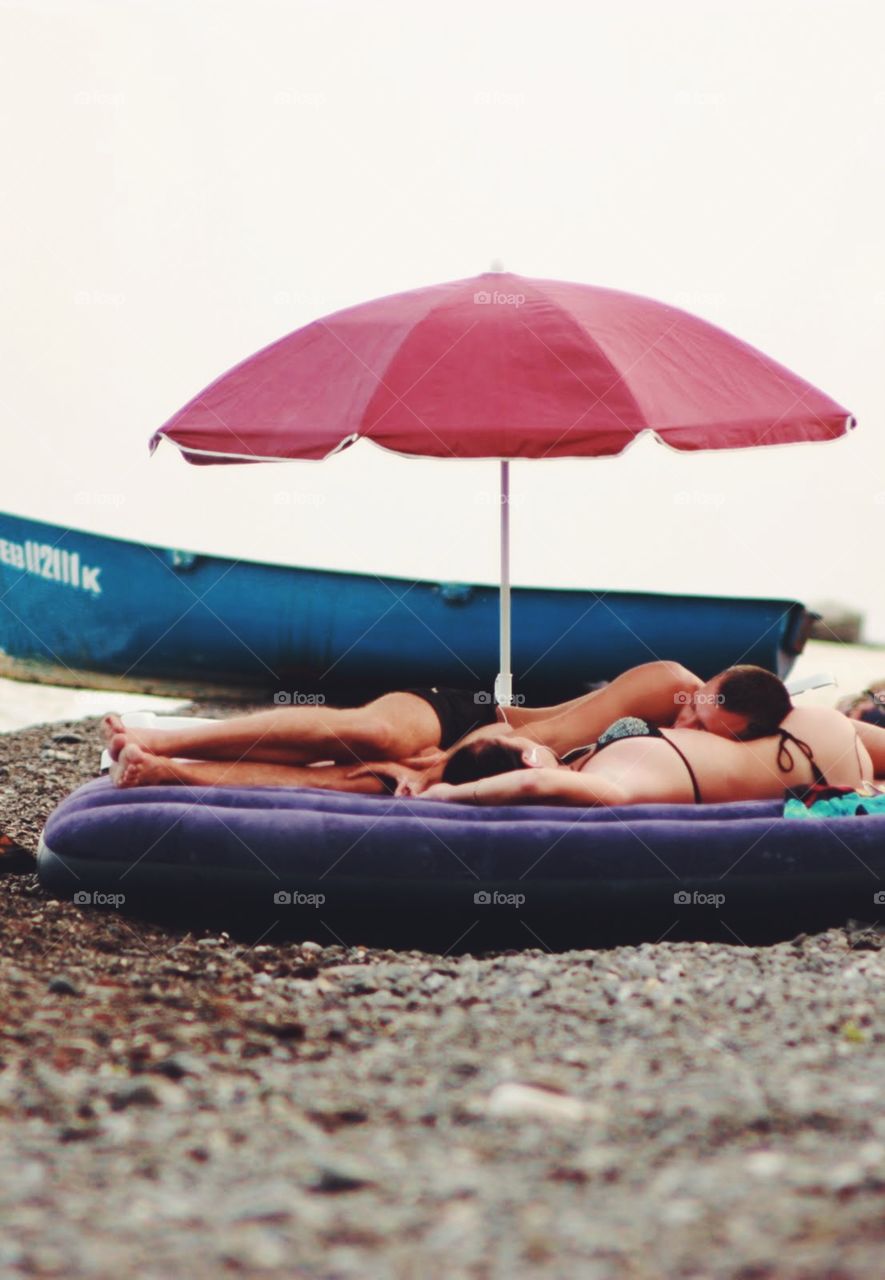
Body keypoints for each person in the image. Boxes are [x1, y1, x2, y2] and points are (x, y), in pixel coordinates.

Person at [104, 659, 702, 791]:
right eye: (695, 705)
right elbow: (537, 738)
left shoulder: (709, 749)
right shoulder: (667, 683)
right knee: (377, 738)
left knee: (358, 780)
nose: (687, 717)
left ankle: (164, 771)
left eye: (701, 721)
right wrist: (435, 768)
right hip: (474, 719)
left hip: (491, 766)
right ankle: (164, 737)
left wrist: (425, 778)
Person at [420, 691, 879, 808]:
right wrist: (449, 794)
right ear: (528, 758)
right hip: (824, 754)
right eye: (523, 743)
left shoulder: (595, 764)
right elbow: (533, 784)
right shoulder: (607, 778)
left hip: (811, 741)